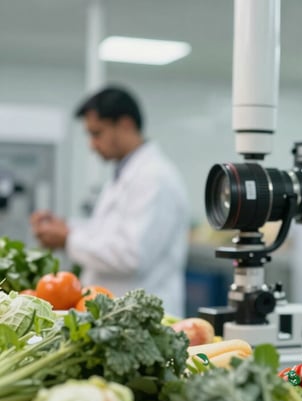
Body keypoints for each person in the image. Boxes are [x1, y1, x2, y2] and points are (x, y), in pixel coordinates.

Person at [29, 85, 189, 316]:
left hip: (141, 317)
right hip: (116, 313)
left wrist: (67, 239)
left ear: (125, 124)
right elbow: (108, 232)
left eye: (97, 133)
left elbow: (132, 255)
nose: (92, 145)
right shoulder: (125, 173)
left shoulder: (155, 178)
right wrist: (66, 227)